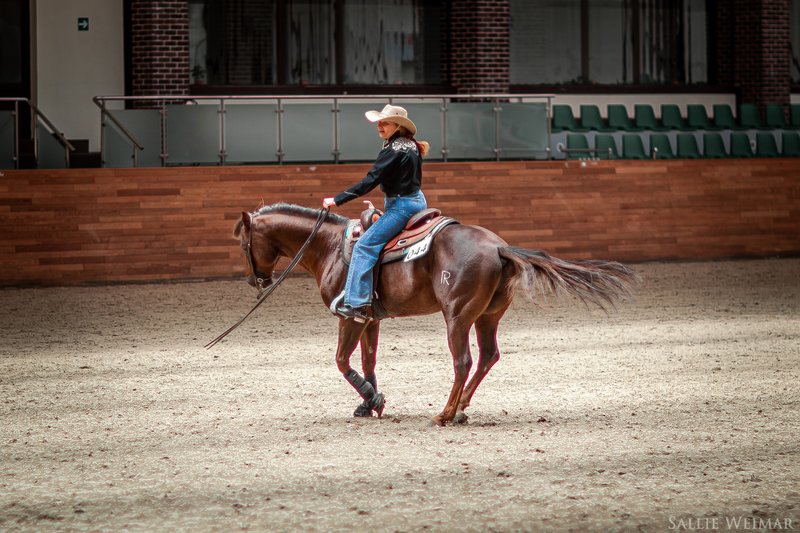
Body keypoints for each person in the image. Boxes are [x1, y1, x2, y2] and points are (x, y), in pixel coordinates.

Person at [322, 104, 429, 322]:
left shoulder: (393, 149)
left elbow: (370, 180)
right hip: (416, 200)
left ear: (397, 126)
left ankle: (358, 304)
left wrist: (338, 199)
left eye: (385, 122)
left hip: (401, 206)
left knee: (364, 246)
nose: (379, 126)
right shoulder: (411, 145)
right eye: (379, 122)